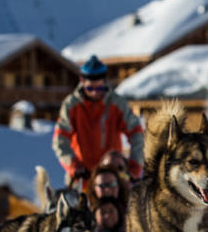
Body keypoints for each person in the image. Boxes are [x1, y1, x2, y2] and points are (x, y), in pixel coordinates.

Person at [53, 55, 145, 187]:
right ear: (82, 82)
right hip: (83, 177)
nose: (95, 93)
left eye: (99, 88)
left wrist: (134, 168)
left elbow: (137, 133)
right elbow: (60, 139)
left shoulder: (116, 103)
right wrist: (74, 166)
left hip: (112, 177)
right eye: (90, 88)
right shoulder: (72, 106)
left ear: (105, 82)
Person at [86, 165, 129, 232]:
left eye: (112, 184)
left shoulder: (134, 208)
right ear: (94, 188)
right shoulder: (86, 218)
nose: (107, 190)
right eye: (102, 186)